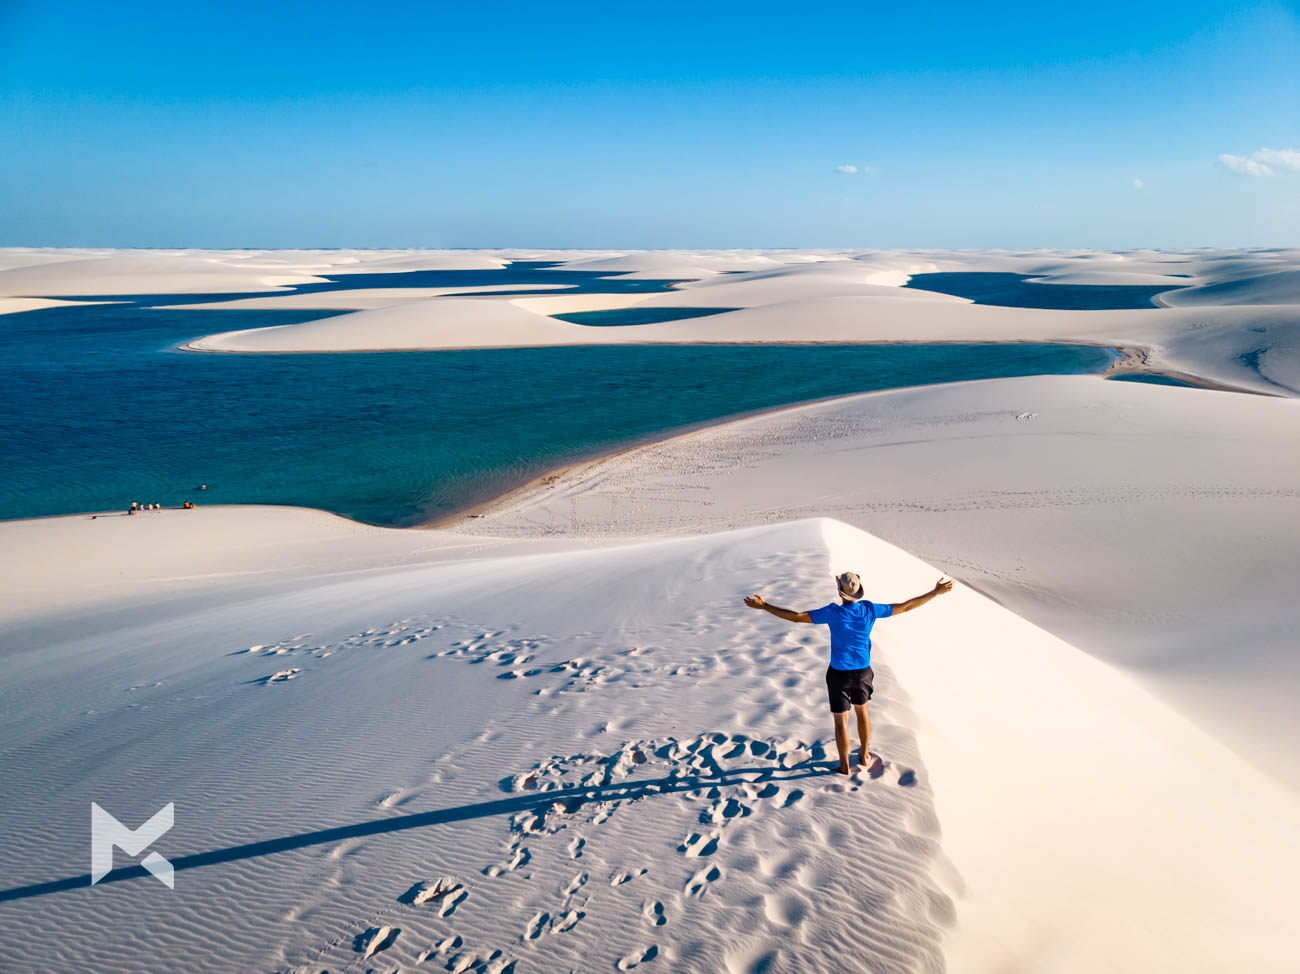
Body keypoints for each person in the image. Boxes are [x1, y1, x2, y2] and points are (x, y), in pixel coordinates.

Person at [744, 572, 953, 775]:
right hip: (862, 672)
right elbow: (906, 606)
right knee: (862, 713)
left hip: (838, 674)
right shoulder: (870, 609)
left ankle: (844, 765)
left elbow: (797, 618)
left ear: (839, 591)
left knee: (840, 721)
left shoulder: (832, 612)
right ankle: (864, 755)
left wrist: (764, 606)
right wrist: (935, 592)